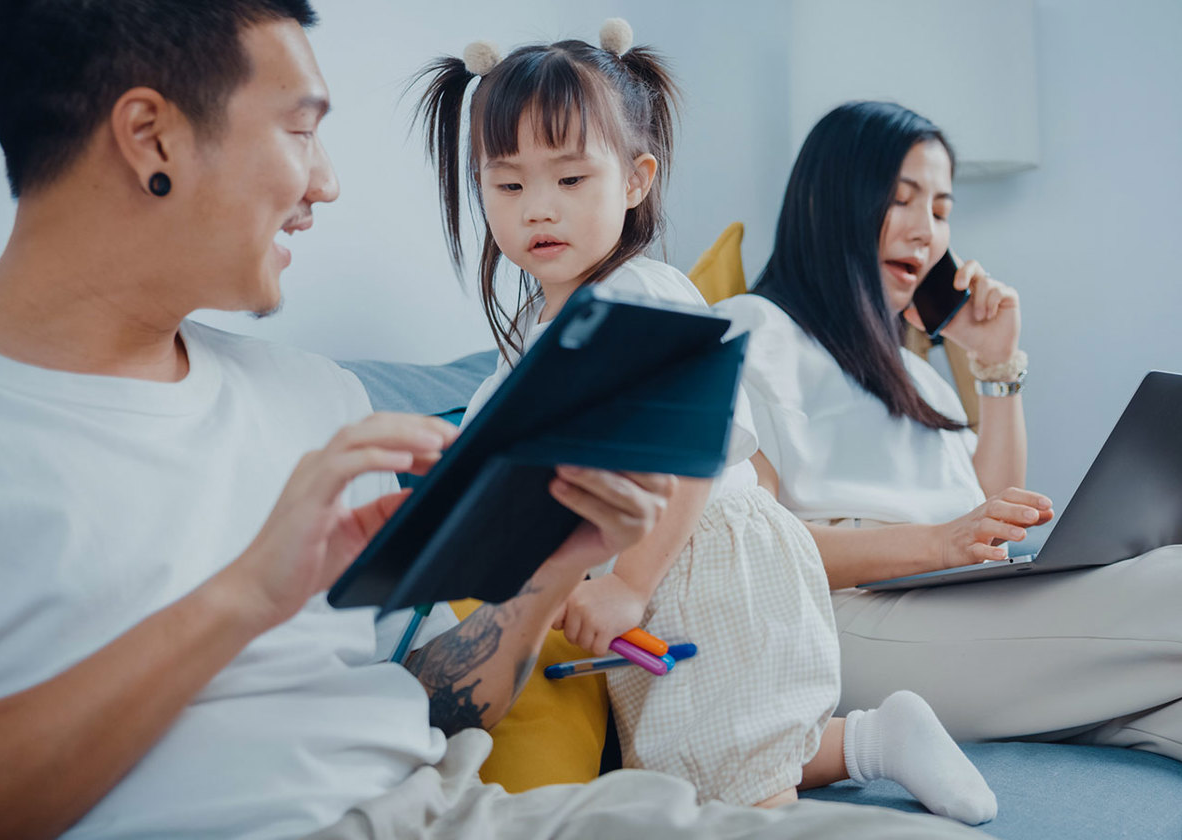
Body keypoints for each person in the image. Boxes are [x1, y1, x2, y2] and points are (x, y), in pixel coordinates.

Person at [0, 4, 991, 839]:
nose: (327, 182)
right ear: (151, 137)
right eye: (299, 129)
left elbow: (432, 696)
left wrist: (551, 575)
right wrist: (246, 594)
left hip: (453, 805)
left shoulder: (320, 404)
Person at [714, 100, 1182, 840]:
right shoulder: (752, 330)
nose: (926, 231)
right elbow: (750, 547)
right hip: (845, 623)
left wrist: (996, 366)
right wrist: (935, 542)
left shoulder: (918, 376)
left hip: (952, 607)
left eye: (941, 209)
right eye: (899, 200)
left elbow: (992, 513)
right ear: (826, 203)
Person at [413, 22, 995, 823]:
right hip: (655, 579)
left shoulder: (643, 295)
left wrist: (630, 583)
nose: (538, 208)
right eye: (508, 186)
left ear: (636, 180)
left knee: (742, 793)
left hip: (701, 559)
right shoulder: (529, 345)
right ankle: (875, 740)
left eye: (571, 178)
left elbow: (694, 449)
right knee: (705, 762)